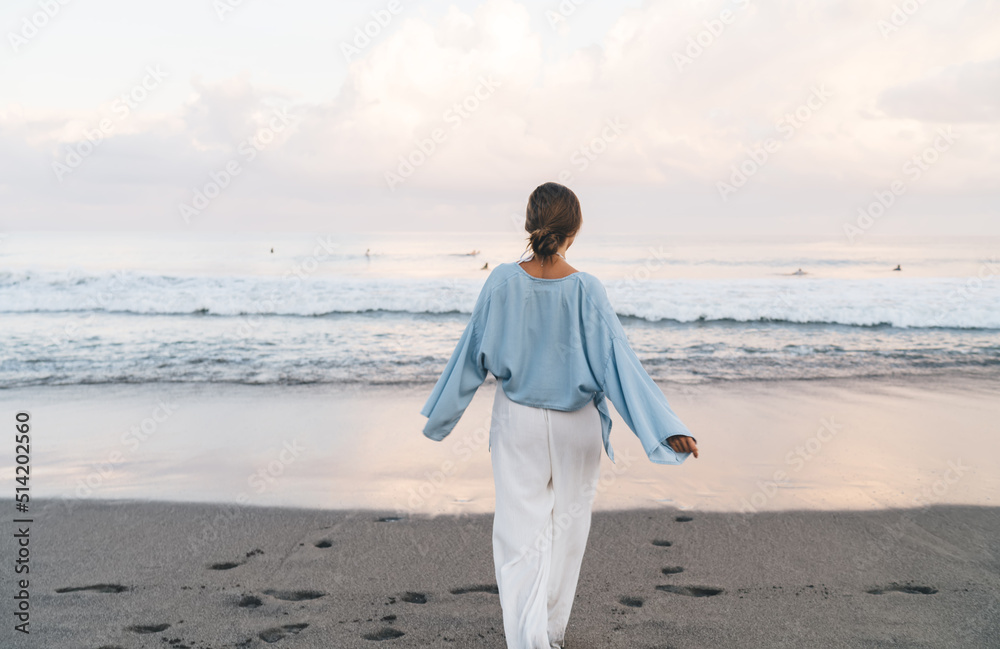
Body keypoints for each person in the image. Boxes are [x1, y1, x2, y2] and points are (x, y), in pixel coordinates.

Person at [420, 181, 699, 649]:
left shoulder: (501, 282)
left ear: (529, 225)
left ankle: (529, 641)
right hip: (578, 427)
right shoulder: (588, 289)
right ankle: (549, 634)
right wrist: (666, 428)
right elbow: (619, 366)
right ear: (575, 230)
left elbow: (470, 355)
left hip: (518, 423)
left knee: (518, 537)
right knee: (567, 536)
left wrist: (440, 417)